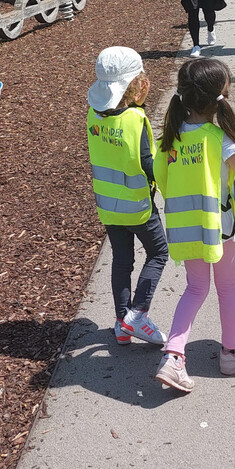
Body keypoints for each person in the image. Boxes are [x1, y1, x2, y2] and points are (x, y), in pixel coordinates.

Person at [152, 57, 235, 393]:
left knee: (195, 289)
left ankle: (173, 357)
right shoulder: (221, 139)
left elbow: (162, 178)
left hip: (185, 227)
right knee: (227, 288)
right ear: (222, 95)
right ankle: (231, 353)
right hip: (220, 227)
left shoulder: (169, 138)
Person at [86, 46, 168, 346]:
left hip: (107, 205)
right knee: (159, 253)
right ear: (137, 85)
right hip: (138, 206)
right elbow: (149, 164)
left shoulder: (92, 116)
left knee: (122, 260)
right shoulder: (135, 120)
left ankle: (121, 323)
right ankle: (137, 315)